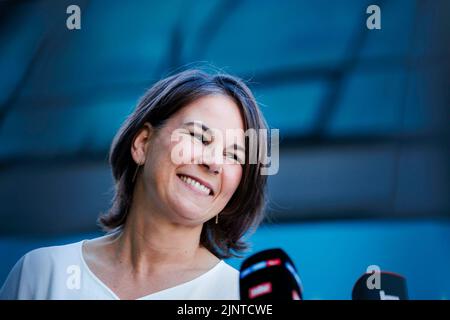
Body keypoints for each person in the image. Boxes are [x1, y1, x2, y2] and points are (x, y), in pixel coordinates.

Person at [0, 69, 269, 299]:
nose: (213, 163)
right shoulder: (43, 274)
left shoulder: (243, 298)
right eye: (199, 137)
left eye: (234, 155)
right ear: (142, 144)